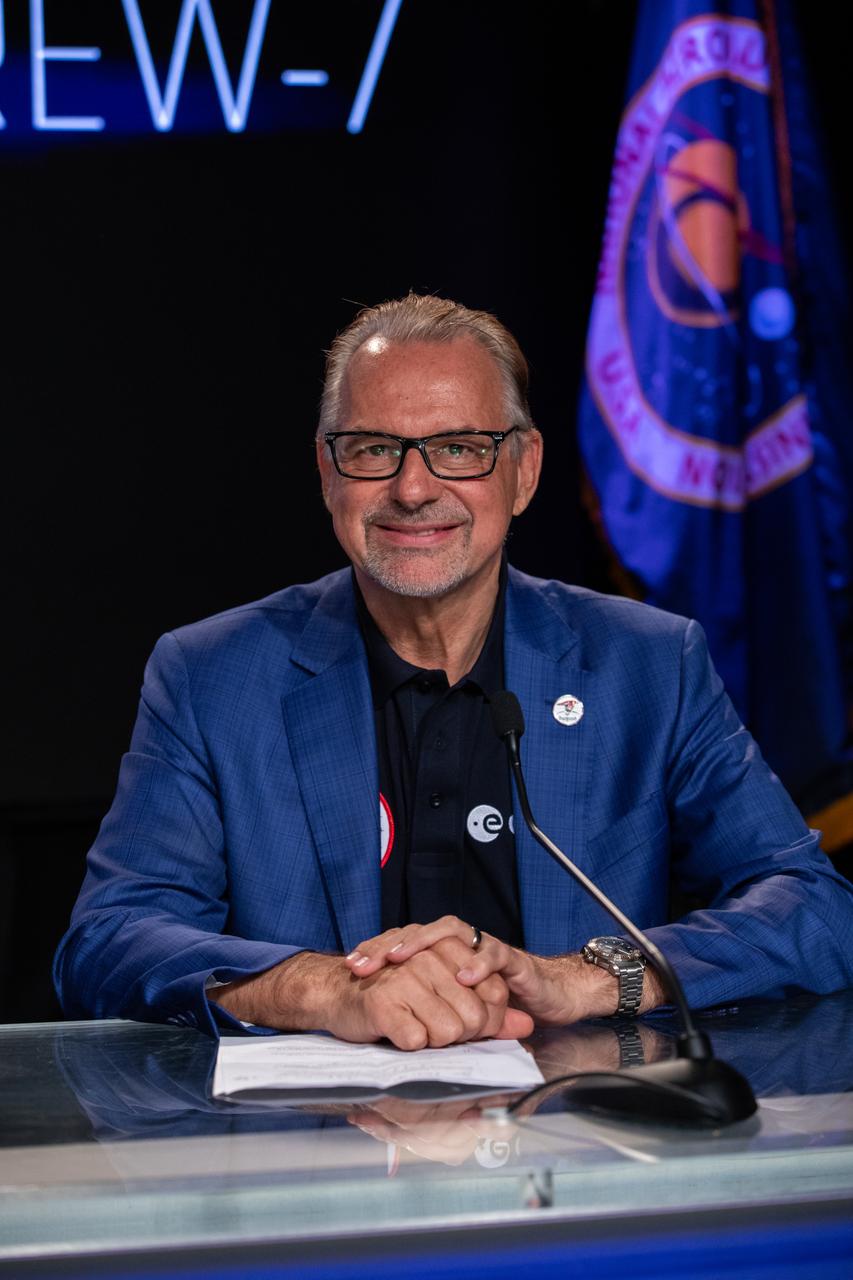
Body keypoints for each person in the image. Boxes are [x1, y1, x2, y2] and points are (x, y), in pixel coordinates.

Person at [55, 294, 853, 1047]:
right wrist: (325, 990)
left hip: (579, 1154)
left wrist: (582, 978)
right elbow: (110, 938)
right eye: (373, 449)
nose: (411, 488)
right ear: (328, 472)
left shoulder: (647, 663)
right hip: (314, 1156)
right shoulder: (211, 676)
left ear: (524, 469)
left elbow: (814, 907)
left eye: (457, 449)